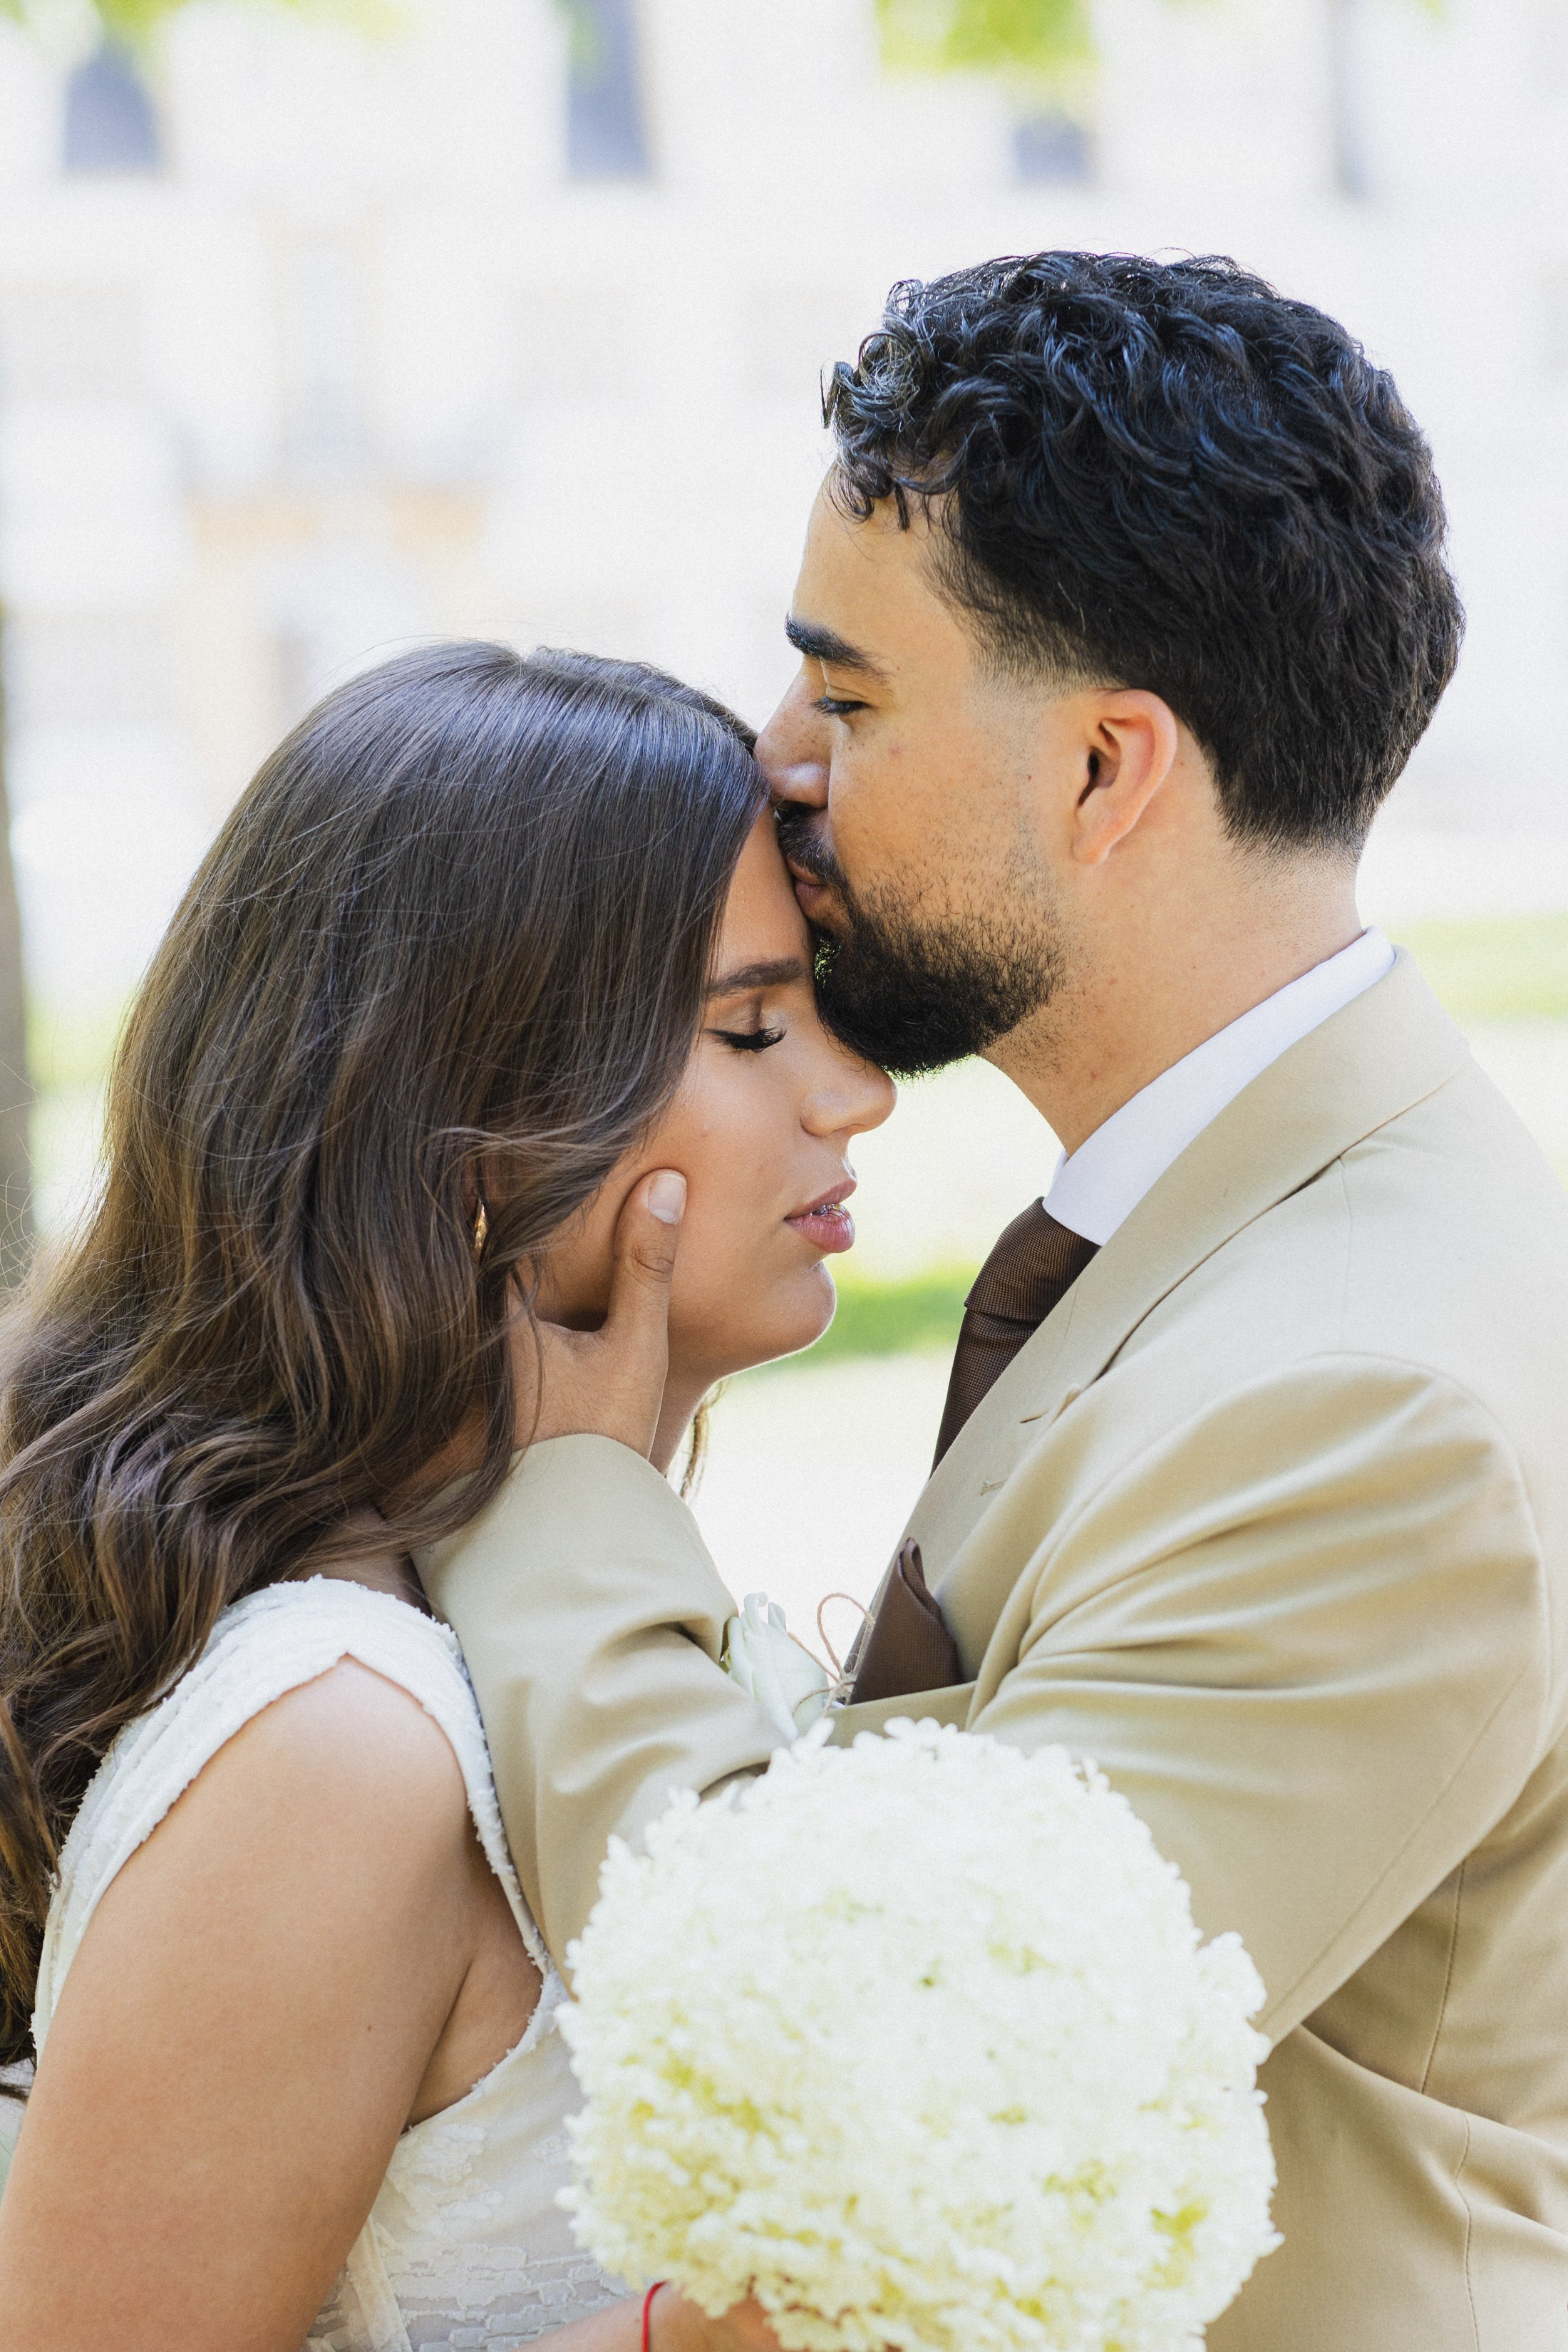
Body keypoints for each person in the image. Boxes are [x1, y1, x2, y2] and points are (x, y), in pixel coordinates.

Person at [416, 255, 1568, 2351]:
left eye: (848, 700)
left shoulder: (1363, 1402)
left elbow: (876, 2084)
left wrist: (573, 1504)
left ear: (1109, 772)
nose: (775, 762)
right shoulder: (1250, 1232)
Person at [0, 641, 891, 2352]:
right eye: (748, 1027)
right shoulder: (342, 1740)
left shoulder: (529, 1620)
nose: (855, 1093)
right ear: (471, 1125)